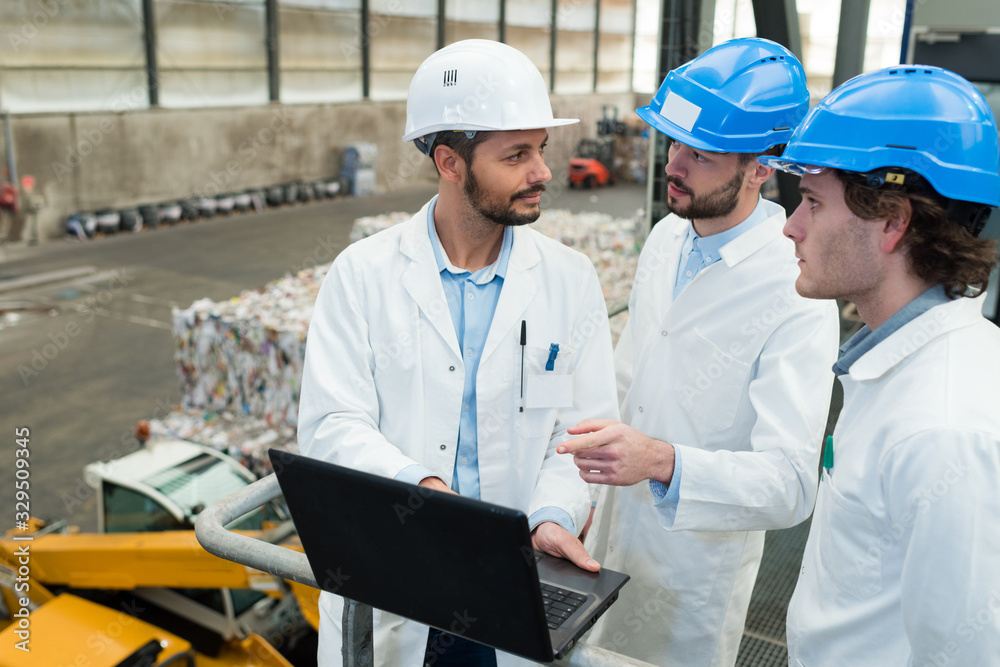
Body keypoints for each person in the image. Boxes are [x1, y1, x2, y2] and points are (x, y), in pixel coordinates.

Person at [297, 39, 619, 667]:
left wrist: (551, 516)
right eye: (516, 155)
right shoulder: (362, 274)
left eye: (541, 150)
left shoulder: (570, 279)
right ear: (449, 162)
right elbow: (332, 424)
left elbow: (582, 431)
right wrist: (422, 489)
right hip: (398, 580)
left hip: (517, 582)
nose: (543, 173)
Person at [557, 38, 840, 666]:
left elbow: (792, 485)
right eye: (673, 142)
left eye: (702, 154)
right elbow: (625, 383)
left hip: (691, 578)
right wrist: (575, 498)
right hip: (603, 540)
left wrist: (661, 461)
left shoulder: (797, 288)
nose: (673, 165)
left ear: (763, 167)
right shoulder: (666, 237)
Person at [760, 64, 1000, 666]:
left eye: (812, 202)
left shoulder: (944, 427)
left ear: (892, 222)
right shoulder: (897, 366)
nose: (791, 226)